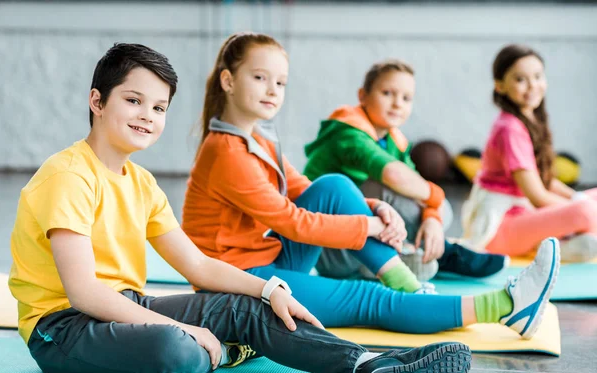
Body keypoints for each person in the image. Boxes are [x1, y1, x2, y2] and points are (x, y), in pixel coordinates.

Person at [7, 42, 474, 373]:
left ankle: (369, 365)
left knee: (250, 308)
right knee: (174, 351)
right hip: (63, 327)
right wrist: (186, 329)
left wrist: (268, 289)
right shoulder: (67, 175)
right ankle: (224, 347)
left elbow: (199, 268)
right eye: (134, 101)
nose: (147, 116)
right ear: (97, 100)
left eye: (159, 107)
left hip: (128, 306)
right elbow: (83, 293)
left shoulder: (141, 182)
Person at [182, 32, 560, 342]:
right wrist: (370, 227)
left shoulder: (258, 138)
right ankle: (507, 307)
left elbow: (303, 188)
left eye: (280, 81)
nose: (273, 90)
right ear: (228, 80)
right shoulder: (226, 151)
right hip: (237, 283)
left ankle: (409, 285)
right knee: (369, 299)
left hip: (266, 261)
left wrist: (372, 206)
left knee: (334, 185)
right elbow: (292, 222)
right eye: (260, 77)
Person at [302, 59, 508, 281]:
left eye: (406, 98)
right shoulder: (348, 132)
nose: (397, 103)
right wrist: (435, 198)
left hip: (358, 247)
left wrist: (432, 218)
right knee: (388, 190)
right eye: (388, 93)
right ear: (363, 96)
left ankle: (417, 256)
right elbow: (394, 175)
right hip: (324, 249)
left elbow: (418, 186)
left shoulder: (393, 139)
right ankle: (446, 254)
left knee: (440, 211)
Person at [461, 44, 597, 262]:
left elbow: (545, 181)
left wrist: (576, 197)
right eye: (520, 79)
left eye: (537, 76)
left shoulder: (530, 120)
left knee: (590, 203)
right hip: (502, 228)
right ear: (500, 86)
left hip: (525, 215)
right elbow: (537, 195)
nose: (532, 86)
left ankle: (563, 244)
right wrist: (581, 208)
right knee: (587, 213)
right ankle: (554, 244)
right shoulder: (509, 129)